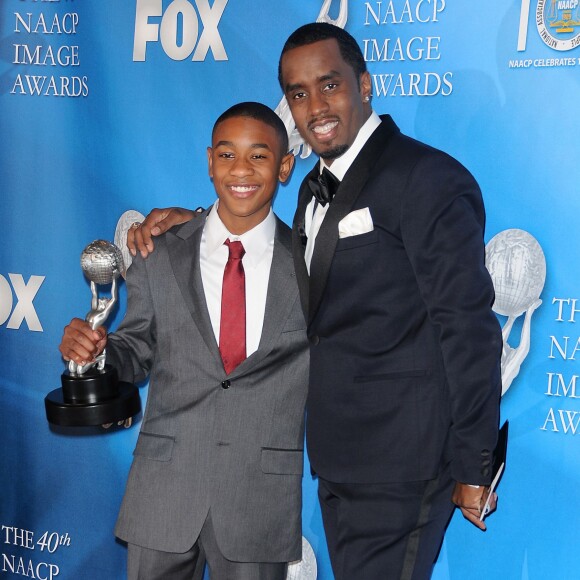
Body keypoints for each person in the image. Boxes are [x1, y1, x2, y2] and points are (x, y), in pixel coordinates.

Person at [128, 23, 503, 580]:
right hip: (339, 458)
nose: (315, 106)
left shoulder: (427, 178)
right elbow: (277, 263)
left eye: (329, 85)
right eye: (299, 94)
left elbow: (468, 327)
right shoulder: (310, 188)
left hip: (404, 460)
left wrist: (475, 463)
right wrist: (200, 225)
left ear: (366, 85)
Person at [59, 102, 309, 580]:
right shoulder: (159, 253)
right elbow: (136, 349)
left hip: (259, 499)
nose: (241, 170)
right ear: (209, 161)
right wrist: (98, 353)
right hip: (164, 490)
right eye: (227, 155)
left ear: (284, 166)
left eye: (259, 156)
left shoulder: (309, 264)